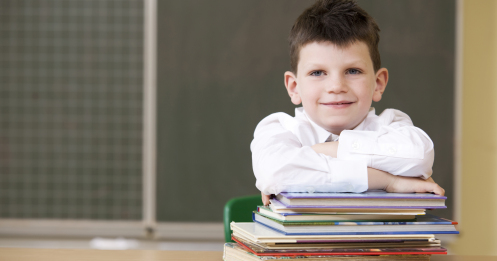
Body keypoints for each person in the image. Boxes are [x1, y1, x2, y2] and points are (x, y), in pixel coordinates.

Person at [250, 0, 445, 206]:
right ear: (294, 87)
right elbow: (275, 174)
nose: (336, 86)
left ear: (378, 84)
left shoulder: (392, 124)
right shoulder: (278, 128)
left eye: (353, 71)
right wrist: (388, 180)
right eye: (317, 72)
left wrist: (321, 151)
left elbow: (419, 157)